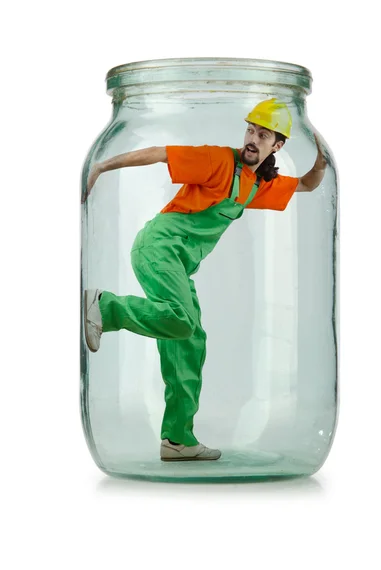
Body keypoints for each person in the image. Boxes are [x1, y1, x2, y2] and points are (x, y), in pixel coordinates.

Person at [82, 98, 327, 462]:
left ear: (277, 146)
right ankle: (105, 307)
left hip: (179, 265)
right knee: (180, 320)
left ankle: (177, 440)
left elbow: (308, 184)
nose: (252, 139)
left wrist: (320, 148)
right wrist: (101, 165)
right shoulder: (218, 160)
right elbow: (159, 153)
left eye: (263, 135)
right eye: (250, 130)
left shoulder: (256, 185)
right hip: (159, 247)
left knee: (191, 341)